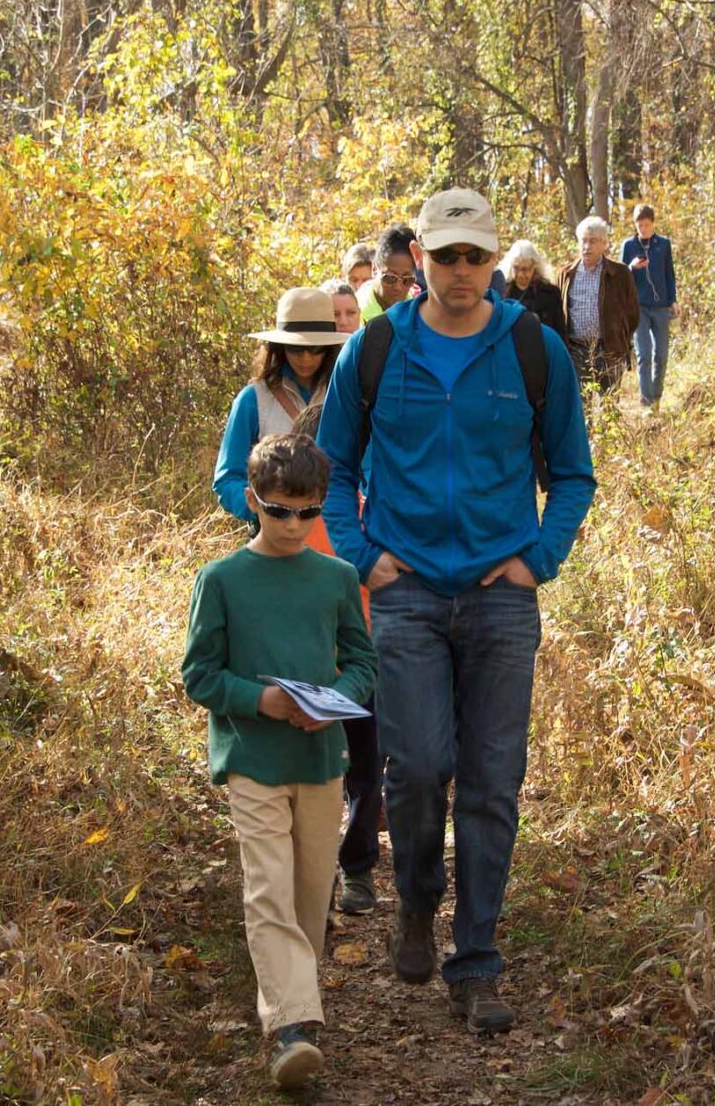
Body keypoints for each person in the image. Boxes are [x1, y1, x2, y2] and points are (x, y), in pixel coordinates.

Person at [316, 188, 597, 1035]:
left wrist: (537, 559)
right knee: (419, 765)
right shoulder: (372, 351)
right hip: (405, 599)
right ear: (421, 262)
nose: (465, 273)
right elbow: (331, 469)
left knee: (491, 783)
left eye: (478, 257)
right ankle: (415, 902)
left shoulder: (531, 350)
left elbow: (574, 474)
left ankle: (475, 962)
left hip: (499, 600)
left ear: (492, 260)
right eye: (448, 258)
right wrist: (367, 558)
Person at [181, 432, 377, 1090]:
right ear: (252, 501)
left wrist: (337, 701)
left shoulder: (337, 578)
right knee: (268, 890)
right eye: (279, 509)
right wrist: (261, 700)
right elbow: (200, 675)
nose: (294, 525)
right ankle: (291, 1029)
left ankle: (294, 1007)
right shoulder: (222, 580)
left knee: (307, 893)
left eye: (308, 512)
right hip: (251, 758)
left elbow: (362, 662)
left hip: (321, 759)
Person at [292, 401, 381, 916]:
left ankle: (359, 868)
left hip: (367, 665)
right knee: (316, 776)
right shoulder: (290, 521)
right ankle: (315, 875)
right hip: (307, 671)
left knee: (367, 772)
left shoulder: (372, 513)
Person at [213, 288, 347, 525]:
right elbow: (227, 479)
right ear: (279, 347)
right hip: (272, 537)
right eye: (296, 348)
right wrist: (266, 511)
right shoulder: (253, 400)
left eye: (315, 349)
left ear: (330, 348)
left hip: (336, 533)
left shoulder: (346, 395)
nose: (306, 357)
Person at [557, 216, 640, 396]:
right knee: (581, 407)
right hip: (575, 351)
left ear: (604, 244)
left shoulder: (619, 273)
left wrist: (621, 339)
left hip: (609, 350)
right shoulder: (566, 274)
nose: (587, 246)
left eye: (593, 241)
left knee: (609, 407)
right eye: (583, 241)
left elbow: (632, 313)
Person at [621, 204, 679, 410]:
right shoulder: (629, 246)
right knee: (644, 354)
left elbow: (669, 273)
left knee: (661, 355)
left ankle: (656, 399)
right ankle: (646, 403)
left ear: (653, 223)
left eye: (646, 225)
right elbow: (621, 277)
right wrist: (632, 267)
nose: (643, 229)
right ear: (635, 225)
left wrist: (673, 299)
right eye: (639, 225)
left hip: (661, 306)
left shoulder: (663, 244)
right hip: (639, 307)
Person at [500, 240, 565, 336]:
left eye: (525, 269)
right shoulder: (502, 291)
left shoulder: (550, 293)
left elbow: (560, 331)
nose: (521, 274)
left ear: (534, 267)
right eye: (516, 268)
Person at [355, 225, 419, 323]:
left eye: (407, 280)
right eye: (390, 278)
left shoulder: (418, 314)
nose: (398, 287)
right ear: (374, 269)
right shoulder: (354, 311)